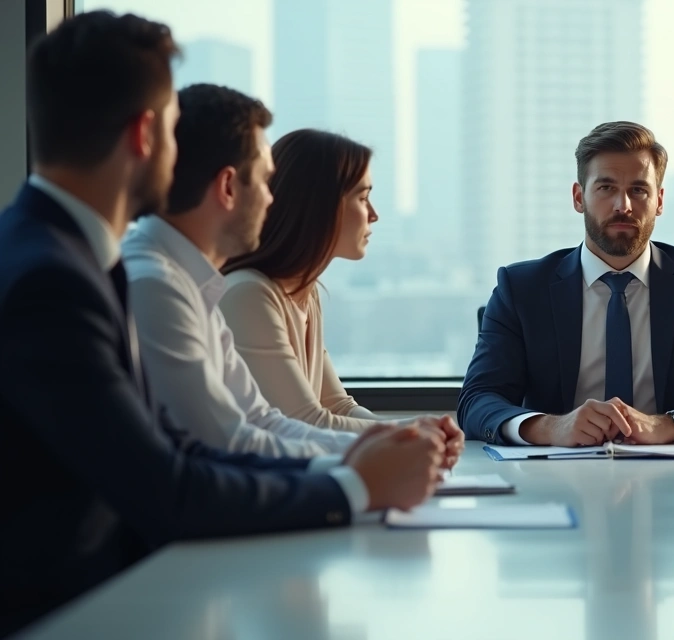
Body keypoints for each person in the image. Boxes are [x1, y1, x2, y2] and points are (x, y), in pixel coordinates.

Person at [0, 12, 443, 635]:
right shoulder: (61, 280)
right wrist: (355, 487)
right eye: (177, 131)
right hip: (74, 610)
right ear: (144, 135)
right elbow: (167, 485)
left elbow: (193, 444)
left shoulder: (76, 258)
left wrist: (358, 465)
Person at [121, 83, 462, 462]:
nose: (272, 198)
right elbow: (244, 437)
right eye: (363, 197)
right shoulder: (216, 290)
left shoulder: (209, 287)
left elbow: (271, 420)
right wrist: (380, 462)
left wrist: (409, 437)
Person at [458, 121, 674, 447]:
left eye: (639, 190)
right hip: (552, 478)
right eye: (606, 188)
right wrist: (552, 428)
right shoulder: (521, 289)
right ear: (579, 197)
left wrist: (669, 424)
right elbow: (477, 401)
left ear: (660, 201)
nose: (623, 205)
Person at [218, 130, 437, 435]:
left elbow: (338, 406)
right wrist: (411, 434)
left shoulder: (306, 293)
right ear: (319, 206)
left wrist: (419, 431)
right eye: (362, 198)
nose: (374, 215)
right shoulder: (249, 295)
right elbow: (306, 422)